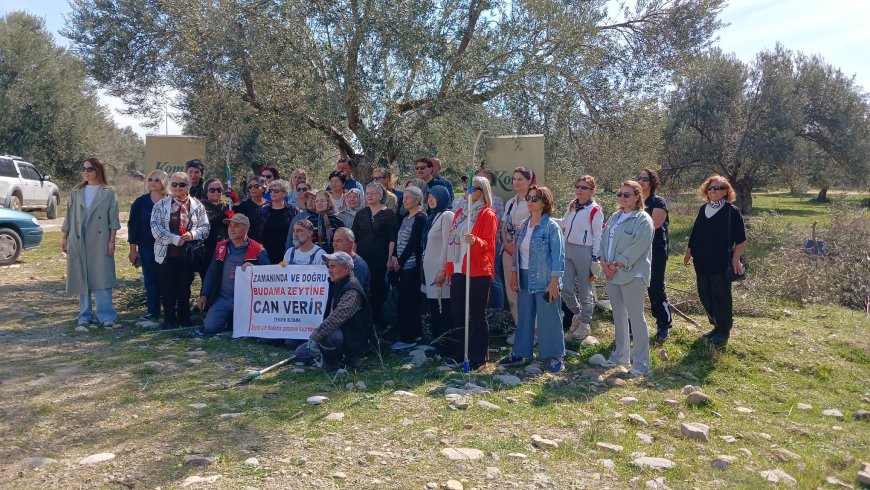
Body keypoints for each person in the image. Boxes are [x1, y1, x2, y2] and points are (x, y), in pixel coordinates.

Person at [499, 185, 565, 372]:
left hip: (545, 279)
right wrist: (514, 275)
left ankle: (556, 357)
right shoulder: (523, 226)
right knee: (525, 316)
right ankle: (520, 353)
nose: (530, 201)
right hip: (524, 276)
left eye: (534, 198)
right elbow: (516, 254)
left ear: (545, 203)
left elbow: (558, 256)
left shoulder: (551, 227)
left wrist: (554, 282)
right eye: (529, 198)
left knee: (549, 317)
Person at [599, 181, 654, 376]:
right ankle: (620, 355)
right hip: (611, 273)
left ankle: (640, 364)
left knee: (636, 318)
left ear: (637, 197)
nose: (622, 198)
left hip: (632, 274)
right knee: (618, 315)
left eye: (627, 195)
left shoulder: (643, 219)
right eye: (620, 194)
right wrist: (604, 262)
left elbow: (640, 246)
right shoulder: (615, 216)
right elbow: (604, 239)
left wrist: (617, 264)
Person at [684, 175, 746, 348]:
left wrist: (736, 258)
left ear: (726, 191)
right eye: (710, 188)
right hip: (702, 261)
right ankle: (716, 326)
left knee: (721, 296)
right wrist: (688, 252)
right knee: (705, 295)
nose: (713, 191)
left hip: (721, 261)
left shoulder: (731, 212)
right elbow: (696, 233)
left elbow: (741, 239)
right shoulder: (703, 209)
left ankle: (724, 330)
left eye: (718, 188)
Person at [443, 176, 498, 370]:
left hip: (478, 270)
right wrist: (449, 268)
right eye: (466, 188)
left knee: (476, 314)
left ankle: (479, 357)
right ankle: (459, 353)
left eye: (473, 188)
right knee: (457, 313)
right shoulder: (460, 213)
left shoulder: (487, 214)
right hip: (458, 268)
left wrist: (476, 241)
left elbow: (489, 245)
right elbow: (451, 242)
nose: (469, 191)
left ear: (482, 192)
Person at [61, 157, 121, 327]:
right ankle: (84, 314)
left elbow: (113, 220)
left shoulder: (109, 192)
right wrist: (64, 237)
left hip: (100, 239)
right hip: (78, 238)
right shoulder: (76, 192)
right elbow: (69, 216)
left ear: (98, 171)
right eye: (84, 169)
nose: (86, 172)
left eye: (90, 169)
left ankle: (106, 314)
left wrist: (112, 241)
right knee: (81, 275)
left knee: (102, 276)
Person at [150, 171, 211, 329]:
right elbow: (155, 229)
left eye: (182, 184)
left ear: (188, 186)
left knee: (184, 287)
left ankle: (184, 317)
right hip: (165, 254)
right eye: (174, 184)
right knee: (166, 287)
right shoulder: (161, 205)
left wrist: (193, 234)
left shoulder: (197, 205)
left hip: (187, 255)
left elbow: (205, 227)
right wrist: (173, 239)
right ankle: (169, 319)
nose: (177, 187)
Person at [293, 252, 372, 370]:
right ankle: (330, 357)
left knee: (327, 335)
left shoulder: (352, 290)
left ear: (346, 268)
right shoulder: (337, 283)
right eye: (328, 266)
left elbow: (336, 318)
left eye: (333, 266)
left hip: (352, 339)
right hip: (340, 335)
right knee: (300, 353)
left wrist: (316, 336)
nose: (329, 270)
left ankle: (332, 364)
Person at [195, 214, 270, 335]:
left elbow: (270, 276)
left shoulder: (258, 249)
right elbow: (211, 272)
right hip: (224, 298)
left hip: (248, 301)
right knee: (210, 328)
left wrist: (255, 269)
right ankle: (227, 320)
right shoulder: (221, 246)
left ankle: (232, 321)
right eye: (230, 226)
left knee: (249, 330)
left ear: (246, 228)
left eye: (236, 226)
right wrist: (204, 295)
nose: (231, 229)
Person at [556, 175, 603, 340]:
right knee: (565, 287)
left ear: (591, 191)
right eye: (578, 186)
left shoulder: (595, 210)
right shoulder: (572, 205)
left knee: (585, 290)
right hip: (567, 249)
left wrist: (595, 258)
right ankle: (577, 314)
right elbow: (563, 223)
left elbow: (598, 235)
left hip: (585, 251)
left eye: (584, 187)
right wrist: (544, 219)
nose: (579, 190)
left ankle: (585, 323)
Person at [352, 182, 398, 329]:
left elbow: (392, 239)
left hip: (380, 260)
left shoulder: (388, 214)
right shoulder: (361, 214)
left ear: (380, 195)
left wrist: (390, 258)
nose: (369, 196)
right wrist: (352, 258)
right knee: (363, 292)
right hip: (362, 260)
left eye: (373, 193)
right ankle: (364, 325)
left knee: (379, 291)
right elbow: (354, 239)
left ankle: (380, 325)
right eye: (367, 193)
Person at [388, 186, 427, 349]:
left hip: (411, 265)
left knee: (409, 301)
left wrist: (401, 261)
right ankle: (407, 333)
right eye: (403, 197)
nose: (404, 200)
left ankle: (409, 336)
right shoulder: (405, 217)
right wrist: (394, 257)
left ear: (417, 199)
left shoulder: (420, 217)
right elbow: (399, 239)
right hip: (401, 264)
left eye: (408, 198)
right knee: (402, 300)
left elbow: (413, 243)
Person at [128, 169, 169, 321]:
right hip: (146, 248)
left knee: (167, 279)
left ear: (164, 182)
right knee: (150, 279)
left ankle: (170, 309)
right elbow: (133, 226)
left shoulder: (171, 201)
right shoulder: (140, 202)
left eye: (157, 180)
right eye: (150, 179)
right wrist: (133, 249)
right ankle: (153, 311)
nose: (153, 182)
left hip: (168, 248)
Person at [637, 167, 672, 342]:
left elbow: (655, 225)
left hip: (656, 249)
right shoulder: (634, 201)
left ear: (652, 182)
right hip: (637, 251)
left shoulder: (658, 202)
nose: (641, 181)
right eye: (639, 178)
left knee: (655, 287)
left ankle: (663, 324)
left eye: (645, 178)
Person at [501, 167, 534, 341]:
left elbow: (534, 224)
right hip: (508, 251)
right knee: (512, 291)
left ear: (529, 181)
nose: (516, 182)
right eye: (514, 179)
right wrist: (506, 243)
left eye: (520, 179)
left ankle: (534, 331)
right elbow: (503, 226)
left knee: (528, 291)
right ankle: (520, 328)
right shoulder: (511, 202)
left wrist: (516, 243)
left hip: (526, 251)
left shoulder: (534, 200)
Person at [420, 185, 454, 353]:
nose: (431, 200)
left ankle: (446, 344)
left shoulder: (447, 216)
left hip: (439, 270)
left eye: (434, 197)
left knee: (443, 308)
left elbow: (448, 243)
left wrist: (442, 269)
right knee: (434, 307)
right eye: (429, 197)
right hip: (429, 269)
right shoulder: (434, 216)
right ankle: (437, 341)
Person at [477, 169, 505, 310]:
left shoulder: (497, 201)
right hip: (474, 246)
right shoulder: (470, 200)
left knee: (495, 279)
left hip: (491, 246)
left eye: (482, 179)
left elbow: (497, 224)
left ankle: (499, 313)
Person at [258, 179, 297, 263]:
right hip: (266, 253)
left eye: (276, 191)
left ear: (284, 193)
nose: (272, 193)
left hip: (286, 252)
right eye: (271, 190)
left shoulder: (292, 210)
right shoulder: (263, 210)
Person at [199, 178, 231, 280]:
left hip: (225, 249)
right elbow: (208, 223)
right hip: (207, 249)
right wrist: (223, 216)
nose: (216, 192)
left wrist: (235, 202)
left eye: (219, 189)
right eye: (212, 190)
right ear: (206, 192)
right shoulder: (200, 206)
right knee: (208, 281)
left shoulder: (227, 206)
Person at [333, 227, 370, 295]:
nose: (334, 244)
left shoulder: (359, 265)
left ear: (350, 243)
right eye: (334, 241)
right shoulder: (333, 262)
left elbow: (353, 293)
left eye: (338, 241)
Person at [235, 177, 267, 242]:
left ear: (263, 189)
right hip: (249, 243)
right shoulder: (244, 205)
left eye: (256, 186)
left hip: (267, 243)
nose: (252, 188)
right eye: (250, 186)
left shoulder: (269, 205)